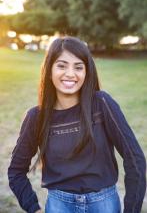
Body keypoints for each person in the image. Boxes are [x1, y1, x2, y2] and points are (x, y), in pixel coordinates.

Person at [8, 36, 146, 213]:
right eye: (62, 65)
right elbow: (16, 172)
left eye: (78, 67)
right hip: (59, 206)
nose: (70, 74)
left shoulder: (102, 104)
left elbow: (135, 159)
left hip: (104, 205)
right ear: (49, 70)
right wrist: (34, 209)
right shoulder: (36, 117)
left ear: (87, 72)